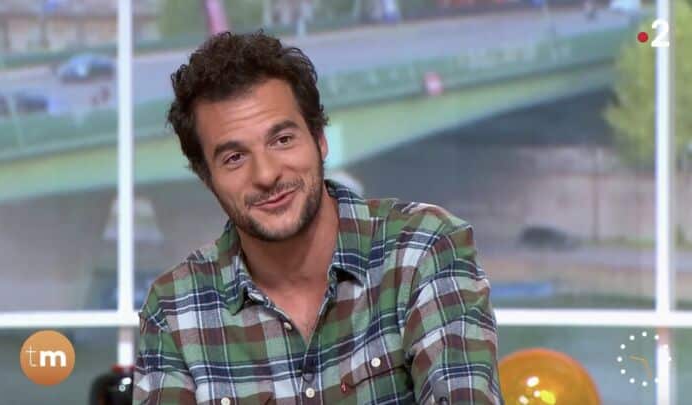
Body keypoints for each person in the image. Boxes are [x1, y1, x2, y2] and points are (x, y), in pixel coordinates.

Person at [133, 31, 503, 404]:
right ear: (207, 178)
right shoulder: (175, 308)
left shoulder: (424, 249)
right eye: (234, 158)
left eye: (282, 140)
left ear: (320, 139)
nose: (266, 175)